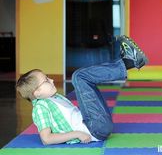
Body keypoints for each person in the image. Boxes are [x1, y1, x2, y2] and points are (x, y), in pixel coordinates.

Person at [16, 35, 148, 145]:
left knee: (85, 79)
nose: (51, 80)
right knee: (79, 77)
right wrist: (77, 134)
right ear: (37, 93)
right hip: (94, 129)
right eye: (46, 80)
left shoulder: (54, 98)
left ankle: (129, 61)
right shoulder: (40, 108)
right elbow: (46, 139)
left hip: (97, 124)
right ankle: (129, 62)